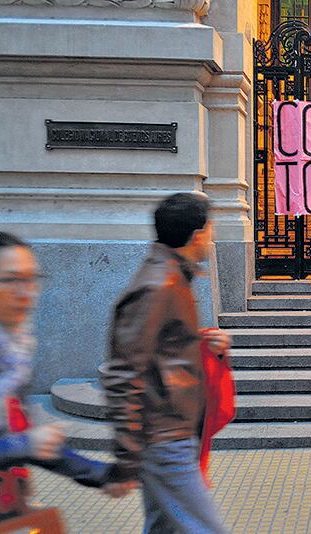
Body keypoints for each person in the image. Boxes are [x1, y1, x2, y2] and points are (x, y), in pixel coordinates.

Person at [0, 232, 128, 530]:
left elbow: (28, 437)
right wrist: (23, 444)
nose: (25, 291)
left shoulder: (9, 352)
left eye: (31, 279)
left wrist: (102, 474)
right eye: (9, 280)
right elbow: (24, 441)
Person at [102, 193, 232, 533]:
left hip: (172, 435)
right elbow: (123, 371)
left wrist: (199, 343)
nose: (213, 236)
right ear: (198, 235)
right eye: (212, 228)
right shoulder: (158, 285)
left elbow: (158, 349)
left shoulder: (173, 278)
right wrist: (127, 455)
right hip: (165, 439)